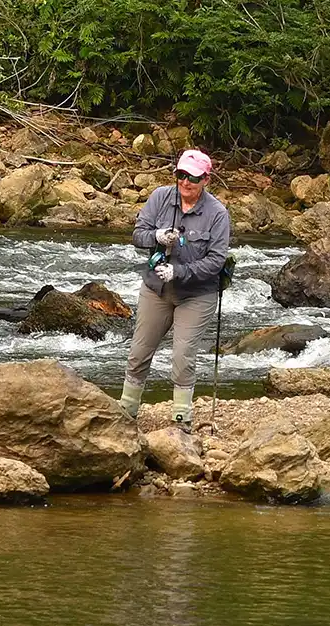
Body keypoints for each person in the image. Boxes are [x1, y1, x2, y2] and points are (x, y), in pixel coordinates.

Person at [121, 149, 232, 428]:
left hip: (197, 295)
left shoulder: (218, 214)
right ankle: (125, 412)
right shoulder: (160, 197)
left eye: (192, 177)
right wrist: (156, 236)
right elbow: (138, 234)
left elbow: (216, 262)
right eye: (181, 175)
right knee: (138, 353)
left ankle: (181, 419)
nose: (185, 182)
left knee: (182, 357)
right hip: (155, 289)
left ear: (205, 179)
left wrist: (178, 271)